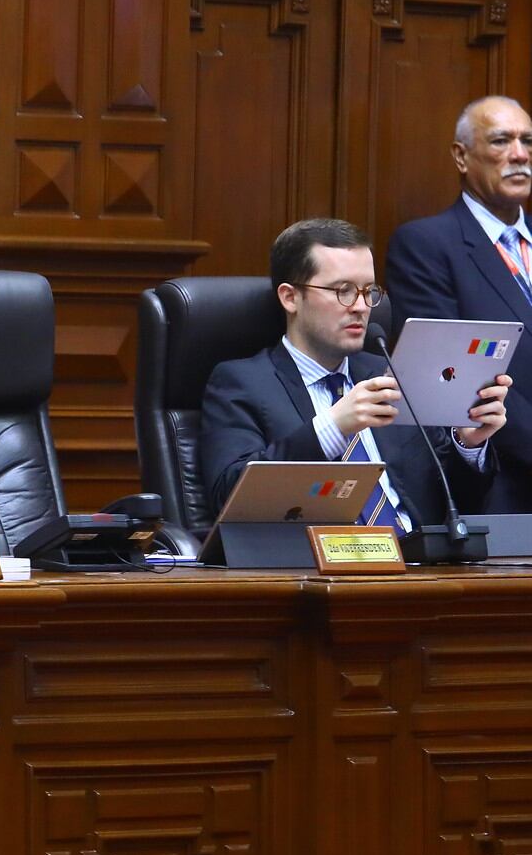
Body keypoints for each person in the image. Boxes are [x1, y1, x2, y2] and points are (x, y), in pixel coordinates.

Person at [201, 217, 509, 532]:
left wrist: (468, 443)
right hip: (315, 571)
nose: (361, 306)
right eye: (343, 291)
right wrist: (332, 428)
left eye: (368, 291)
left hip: (420, 568)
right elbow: (230, 496)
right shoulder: (241, 383)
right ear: (290, 297)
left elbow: (453, 507)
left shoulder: (392, 377)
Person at [384, 95, 532, 511]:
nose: (519, 155)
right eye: (502, 141)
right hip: (499, 484)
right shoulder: (426, 245)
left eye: (528, 141)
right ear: (461, 156)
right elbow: (453, 375)